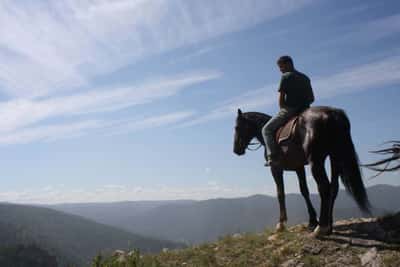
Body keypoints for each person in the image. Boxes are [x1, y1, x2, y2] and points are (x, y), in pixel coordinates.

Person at [262, 55, 314, 166]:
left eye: (281, 67)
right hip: (306, 111)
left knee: (266, 129)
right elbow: (312, 98)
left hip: (290, 110)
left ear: (288, 64)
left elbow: (281, 98)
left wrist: (283, 110)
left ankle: (272, 157)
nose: (281, 70)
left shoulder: (286, 76)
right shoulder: (305, 77)